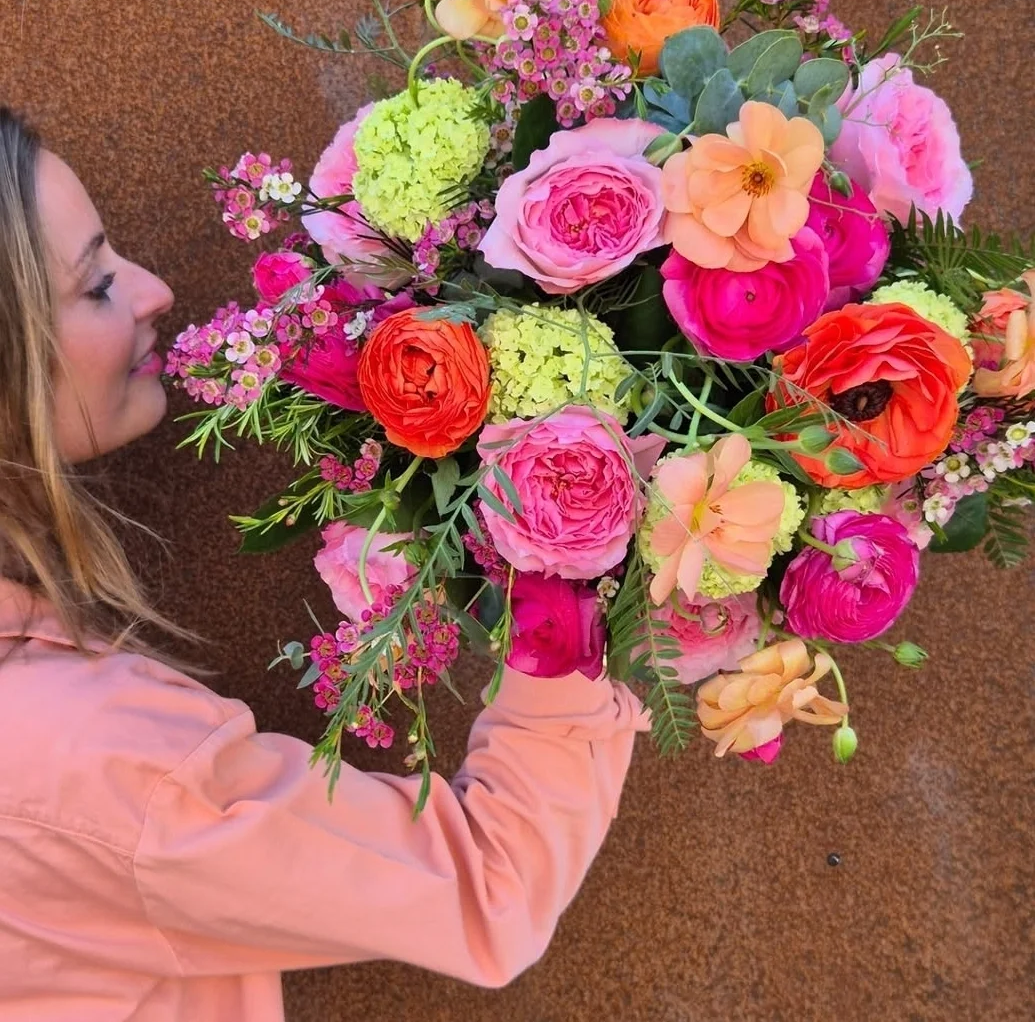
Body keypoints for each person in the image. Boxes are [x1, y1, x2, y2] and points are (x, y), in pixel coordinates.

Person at [0, 107, 650, 1022]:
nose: (153, 291)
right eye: (95, 283)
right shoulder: (91, 764)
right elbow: (490, 885)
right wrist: (566, 555)